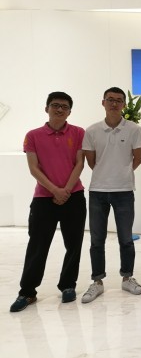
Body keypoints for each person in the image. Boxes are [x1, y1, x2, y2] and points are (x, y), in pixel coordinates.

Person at [10, 92, 87, 312]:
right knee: (37, 245)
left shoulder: (79, 133)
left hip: (74, 196)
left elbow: (79, 164)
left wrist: (66, 190)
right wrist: (55, 190)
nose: (59, 109)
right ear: (47, 108)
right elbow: (33, 168)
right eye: (55, 105)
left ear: (70, 111)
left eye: (64, 106)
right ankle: (27, 292)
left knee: (74, 244)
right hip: (43, 199)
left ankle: (68, 285)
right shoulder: (33, 135)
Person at [81, 87, 141, 303]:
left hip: (124, 191)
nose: (114, 103)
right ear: (103, 103)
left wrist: (121, 174)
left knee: (126, 238)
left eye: (119, 100)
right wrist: (107, 174)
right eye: (110, 99)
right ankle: (97, 281)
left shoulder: (134, 129)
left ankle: (127, 277)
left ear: (124, 105)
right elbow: (91, 161)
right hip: (98, 191)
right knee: (96, 239)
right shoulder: (92, 131)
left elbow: (138, 158)